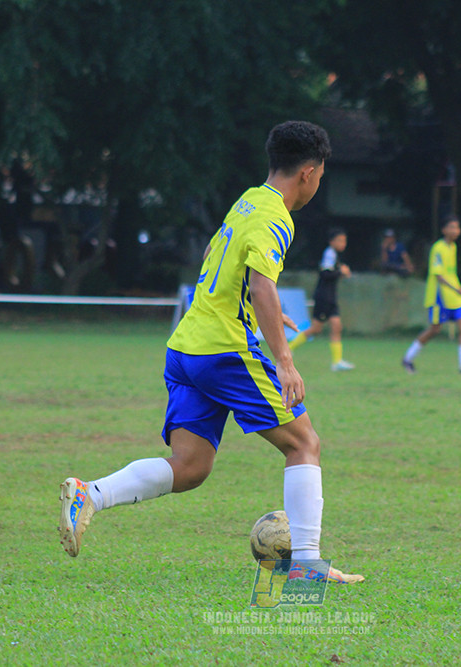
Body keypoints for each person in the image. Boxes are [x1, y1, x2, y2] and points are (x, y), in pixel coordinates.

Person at [57, 121, 363, 584]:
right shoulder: (276, 215)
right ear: (309, 171)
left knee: (191, 466)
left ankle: (90, 495)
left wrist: (251, 306)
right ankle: (305, 563)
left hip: (185, 349)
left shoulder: (248, 200)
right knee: (304, 443)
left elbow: (218, 257)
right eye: (321, 176)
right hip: (224, 351)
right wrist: (285, 361)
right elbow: (262, 284)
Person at [402, 217, 461, 376]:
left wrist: (458, 289)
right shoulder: (438, 248)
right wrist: (457, 289)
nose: (455, 231)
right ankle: (408, 358)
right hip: (439, 296)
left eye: (457, 228)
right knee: (434, 330)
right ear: (444, 230)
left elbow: (450, 274)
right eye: (451, 227)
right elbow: (439, 276)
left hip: (455, 296)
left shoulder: (453, 247)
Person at [288, 227, 355, 371]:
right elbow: (325, 274)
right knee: (316, 329)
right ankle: (289, 348)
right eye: (340, 240)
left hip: (331, 297)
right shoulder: (329, 254)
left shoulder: (335, 255)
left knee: (336, 326)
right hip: (323, 297)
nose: (343, 243)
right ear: (331, 242)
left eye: (344, 240)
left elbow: (332, 272)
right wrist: (341, 272)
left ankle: (337, 362)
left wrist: (342, 272)